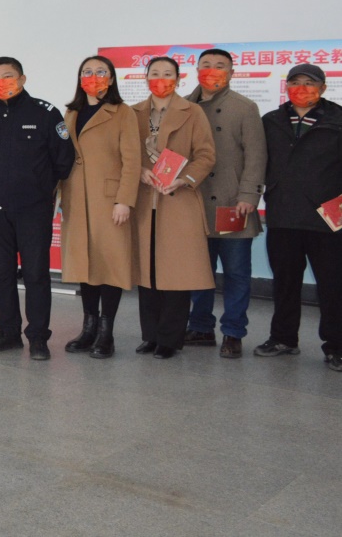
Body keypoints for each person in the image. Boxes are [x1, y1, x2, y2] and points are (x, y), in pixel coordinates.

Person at [0, 57, 73, 360]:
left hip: (33, 209)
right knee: (1, 273)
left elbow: (63, 159)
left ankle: (38, 337)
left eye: (8, 76)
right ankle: (8, 332)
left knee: (35, 274)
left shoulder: (44, 113)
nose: (1, 82)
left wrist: (40, 187)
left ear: (23, 79)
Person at [254, 63, 342, 372]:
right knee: (285, 283)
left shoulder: (337, 119)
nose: (301, 88)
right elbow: (259, 162)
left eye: (309, 82)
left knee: (333, 285)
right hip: (283, 215)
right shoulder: (271, 120)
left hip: (327, 219)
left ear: (323, 88)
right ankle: (283, 338)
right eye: (295, 82)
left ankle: (336, 346)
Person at [182, 48, 266, 359]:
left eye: (220, 66)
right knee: (198, 271)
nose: (212, 70)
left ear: (232, 73)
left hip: (233, 203)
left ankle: (233, 332)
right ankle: (201, 326)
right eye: (206, 65)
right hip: (194, 202)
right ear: (196, 70)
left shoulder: (244, 107)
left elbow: (256, 155)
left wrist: (248, 195)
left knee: (236, 273)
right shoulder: (184, 106)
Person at [131, 56, 216, 359]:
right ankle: (150, 335)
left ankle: (169, 338)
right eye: (154, 73)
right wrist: (140, 171)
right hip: (144, 200)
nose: (161, 79)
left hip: (178, 200)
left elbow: (206, 155)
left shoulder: (192, 112)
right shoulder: (133, 113)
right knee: (147, 271)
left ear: (178, 79)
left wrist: (184, 179)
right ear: (145, 78)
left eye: (168, 73)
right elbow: (124, 153)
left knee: (177, 273)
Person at [58, 56, 140, 359]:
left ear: (112, 78)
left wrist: (124, 200)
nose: (93, 76)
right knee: (85, 264)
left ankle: (107, 333)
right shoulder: (71, 112)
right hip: (76, 199)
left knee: (110, 265)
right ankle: (88, 327)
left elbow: (132, 160)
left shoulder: (122, 112)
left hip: (109, 201)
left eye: (100, 71)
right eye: (87, 71)